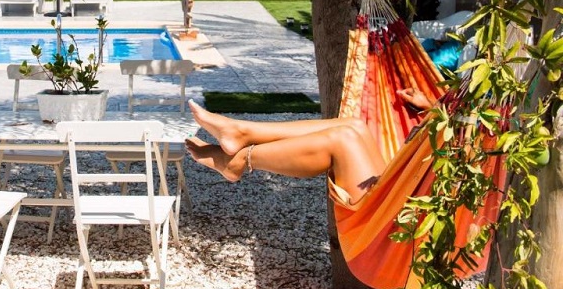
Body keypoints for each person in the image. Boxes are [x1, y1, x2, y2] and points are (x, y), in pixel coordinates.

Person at [185, 88, 432, 205]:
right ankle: (241, 133)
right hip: (401, 194)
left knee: (343, 138)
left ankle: (239, 161)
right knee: (354, 126)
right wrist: (433, 111)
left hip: (400, 220)